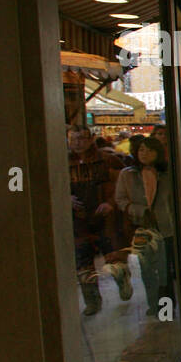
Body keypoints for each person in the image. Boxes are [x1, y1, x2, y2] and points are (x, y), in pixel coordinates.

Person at [68, 124, 132, 315]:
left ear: (90, 140)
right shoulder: (61, 163)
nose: (78, 143)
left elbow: (123, 185)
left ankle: (122, 279)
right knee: (83, 260)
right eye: (74, 139)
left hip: (106, 218)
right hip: (79, 220)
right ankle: (92, 301)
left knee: (113, 256)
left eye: (82, 139)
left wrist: (111, 202)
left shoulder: (107, 160)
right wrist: (66, 197)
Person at [114, 136, 174, 315]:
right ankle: (154, 305)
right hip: (142, 228)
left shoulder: (167, 173)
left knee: (165, 271)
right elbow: (120, 200)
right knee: (147, 271)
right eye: (141, 150)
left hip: (166, 227)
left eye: (150, 150)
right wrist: (140, 211)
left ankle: (167, 309)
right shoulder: (128, 174)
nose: (145, 154)